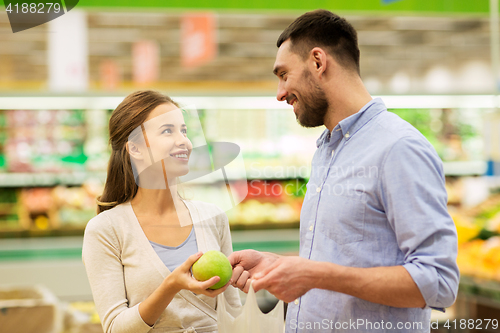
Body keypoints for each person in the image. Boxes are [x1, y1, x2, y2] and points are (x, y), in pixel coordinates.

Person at [229, 9, 459, 333]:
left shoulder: (398, 148)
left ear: (318, 62)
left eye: (283, 75)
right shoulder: (327, 149)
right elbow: (343, 257)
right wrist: (279, 266)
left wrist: (313, 275)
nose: (280, 93)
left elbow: (439, 282)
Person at [82, 90, 240, 333]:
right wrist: (171, 287)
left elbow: (232, 312)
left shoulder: (213, 217)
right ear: (135, 149)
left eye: (184, 131)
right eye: (168, 131)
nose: (184, 142)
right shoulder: (106, 229)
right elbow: (115, 328)